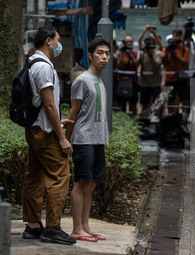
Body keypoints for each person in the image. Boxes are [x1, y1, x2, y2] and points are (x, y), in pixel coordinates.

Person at [21, 25, 76, 245]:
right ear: (48, 41)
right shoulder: (43, 67)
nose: (59, 43)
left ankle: (33, 226)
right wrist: (61, 136)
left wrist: (56, 120)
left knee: (33, 176)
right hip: (45, 131)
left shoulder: (32, 62)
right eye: (58, 39)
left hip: (35, 127)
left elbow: (44, 106)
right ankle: (52, 228)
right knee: (59, 175)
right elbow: (49, 104)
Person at [65, 37, 111, 242]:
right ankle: (76, 230)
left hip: (98, 139)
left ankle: (85, 226)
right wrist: (65, 140)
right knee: (82, 182)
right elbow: (73, 113)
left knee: (91, 184)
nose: (104, 57)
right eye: (100, 53)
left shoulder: (100, 80)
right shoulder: (82, 80)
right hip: (83, 138)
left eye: (107, 53)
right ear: (91, 56)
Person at [162, 29, 189, 114]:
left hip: (182, 79)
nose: (177, 38)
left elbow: (185, 62)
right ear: (172, 36)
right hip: (170, 80)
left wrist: (175, 54)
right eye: (175, 36)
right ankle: (172, 119)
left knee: (185, 101)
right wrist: (168, 52)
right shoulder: (166, 49)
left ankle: (184, 119)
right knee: (171, 101)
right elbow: (164, 63)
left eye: (179, 36)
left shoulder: (185, 49)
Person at [137, 35, 162, 117]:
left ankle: (156, 120)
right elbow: (136, 64)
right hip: (144, 83)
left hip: (155, 83)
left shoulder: (157, 53)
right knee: (145, 104)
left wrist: (151, 55)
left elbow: (157, 66)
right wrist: (143, 53)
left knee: (157, 104)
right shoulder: (141, 53)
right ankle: (143, 121)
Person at [117, 35, 138, 115]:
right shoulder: (120, 54)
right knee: (122, 103)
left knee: (133, 103)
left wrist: (131, 55)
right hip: (122, 81)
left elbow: (137, 65)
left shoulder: (135, 53)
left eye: (130, 41)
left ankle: (134, 120)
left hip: (133, 81)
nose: (129, 43)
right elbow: (119, 65)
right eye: (127, 41)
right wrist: (122, 52)